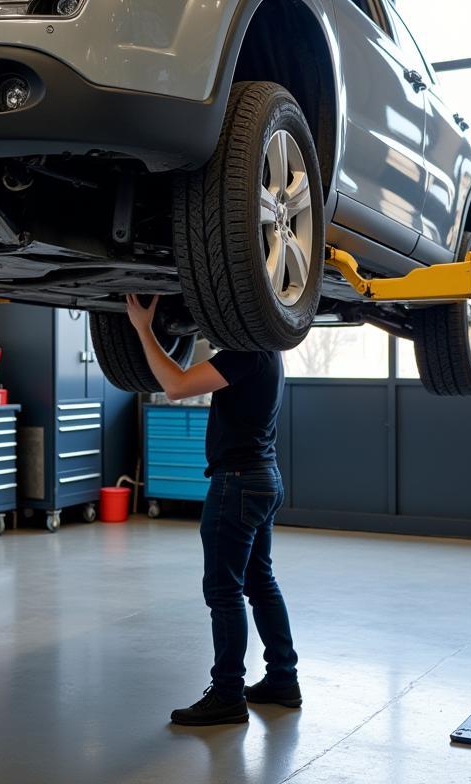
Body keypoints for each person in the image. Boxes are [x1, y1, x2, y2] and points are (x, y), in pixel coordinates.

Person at [126, 294, 301, 727]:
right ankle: (282, 679)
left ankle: (227, 694)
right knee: (260, 582)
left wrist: (143, 330)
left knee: (223, 593)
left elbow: (177, 385)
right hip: (264, 478)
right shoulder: (270, 351)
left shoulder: (246, 352)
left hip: (238, 485)